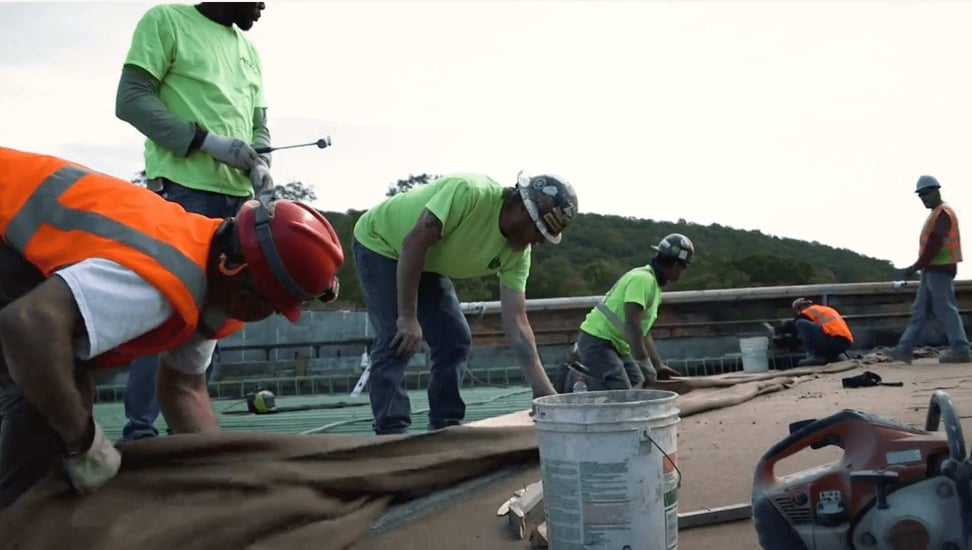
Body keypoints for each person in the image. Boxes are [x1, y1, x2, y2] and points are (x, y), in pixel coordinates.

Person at [0, 147, 343, 509]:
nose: (269, 314)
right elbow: (27, 326)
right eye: (274, 306)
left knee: (57, 388)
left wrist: (225, 481)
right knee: (47, 404)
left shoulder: (214, 276)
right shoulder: (159, 280)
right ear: (248, 293)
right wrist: (82, 439)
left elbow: (184, 389)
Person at [114, 2, 273, 441]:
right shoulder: (166, 20)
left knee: (215, 317)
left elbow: (259, 122)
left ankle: (188, 437)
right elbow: (130, 101)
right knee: (170, 309)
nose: (264, 5)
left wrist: (261, 160)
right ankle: (141, 436)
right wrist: (205, 141)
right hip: (182, 192)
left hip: (238, 198)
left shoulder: (249, 48)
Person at [352, 171, 579, 435]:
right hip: (381, 243)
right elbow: (413, 243)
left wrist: (542, 390)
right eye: (539, 231)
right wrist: (407, 316)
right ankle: (391, 433)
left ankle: (445, 427)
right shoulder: (469, 193)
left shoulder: (518, 255)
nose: (540, 241)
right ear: (521, 210)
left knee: (454, 338)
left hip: (424, 260)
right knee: (397, 337)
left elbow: (517, 322)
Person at [572, 234, 692, 391]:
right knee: (623, 391)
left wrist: (657, 365)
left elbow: (643, 332)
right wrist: (644, 361)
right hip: (598, 341)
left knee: (638, 382)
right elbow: (632, 324)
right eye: (685, 268)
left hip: (616, 344)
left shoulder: (653, 285)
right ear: (677, 266)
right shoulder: (643, 280)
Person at [890, 175, 972, 364]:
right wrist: (921, 266)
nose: (923, 199)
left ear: (937, 191)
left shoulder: (943, 213)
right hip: (931, 269)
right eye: (920, 196)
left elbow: (935, 243)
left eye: (926, 194)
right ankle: (903, 349)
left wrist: (916, 266)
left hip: (940, 269)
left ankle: (961, 349)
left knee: (945, 309)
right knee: (920, 310)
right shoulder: (936, 213)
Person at [770, 298, 853, 366]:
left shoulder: (809, 311)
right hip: (845, 342)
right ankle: (836, 356)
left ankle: (815, 356)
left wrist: (777, 330)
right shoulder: (824, 309)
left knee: (800, 323)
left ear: (799, 308)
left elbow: (794, 324)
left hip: (831, 340)